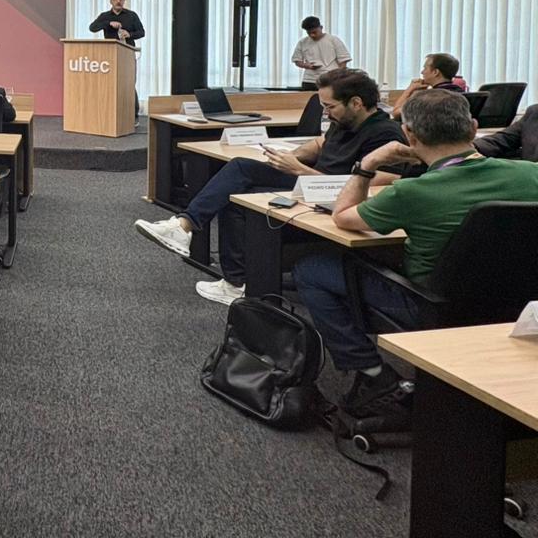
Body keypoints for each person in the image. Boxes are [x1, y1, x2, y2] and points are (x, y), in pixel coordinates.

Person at [295, 89, 538, 419]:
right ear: (473, 127)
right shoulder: (531, 174)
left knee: (311, 270)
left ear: (408, 134)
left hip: (431, 304)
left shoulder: (411, 191)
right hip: (520, 302)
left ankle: (373, 374)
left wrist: (367, 165)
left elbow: (342, 216)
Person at [133, 69, 407, 305]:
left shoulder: (385, 134)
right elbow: (321, 144)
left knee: (241, 186)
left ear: (356, 103)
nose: (325, 112)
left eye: (330, 106)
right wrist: (291, 156)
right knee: (237, 180)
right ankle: (189, 231)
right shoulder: (344, 121)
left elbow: (375, 185)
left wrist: (300, 170)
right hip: (312, 184)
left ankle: (223, 268)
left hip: (331, 197)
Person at [391, 52, 466, 119]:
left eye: (425, 68)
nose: (422, 72)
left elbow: (396, 113)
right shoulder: (462, 94)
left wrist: (410, 90)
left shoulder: (427, 98)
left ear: (435, 72)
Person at [291, 17, 350, 90]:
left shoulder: (333, 40)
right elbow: (297, 61)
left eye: (314, 32)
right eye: (309, 33)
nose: (312, 35)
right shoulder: (302, 42)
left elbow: (343, 61)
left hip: (330, 79)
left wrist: (338, 77)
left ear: (321, 28)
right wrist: (307, 65)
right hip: (309, 80)